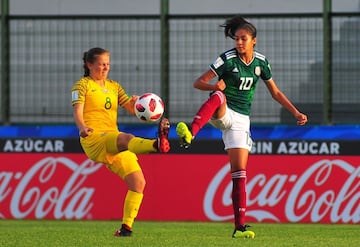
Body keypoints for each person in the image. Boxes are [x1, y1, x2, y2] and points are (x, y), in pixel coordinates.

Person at [176, 16, 308, 238]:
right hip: (223, 111)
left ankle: (239, 228)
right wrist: (213, 85)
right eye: (236, 38)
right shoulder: (227, 59)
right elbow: (197, 82)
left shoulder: (261, 63)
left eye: (243, 39)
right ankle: (191, 133)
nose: (239, 42)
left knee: (239, 173)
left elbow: (275, 92)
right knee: (218, 94)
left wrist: (295, 112)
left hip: (241, 121)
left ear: (254, 40)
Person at [71, 47, 170, 237]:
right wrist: (82, 127)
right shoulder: (82, 86)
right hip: (93, 138)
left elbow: (131, 109)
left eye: (107, 64)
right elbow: (77, 111)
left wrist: (137, 103)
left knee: (138, 182)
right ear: (89, 64)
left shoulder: (114, 86)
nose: (105, 67)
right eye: (101, 64)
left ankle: (126, 228)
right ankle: (157, 144)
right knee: (127, 138)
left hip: (111, 137)